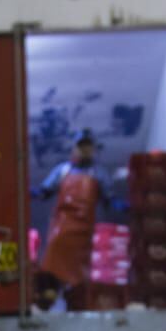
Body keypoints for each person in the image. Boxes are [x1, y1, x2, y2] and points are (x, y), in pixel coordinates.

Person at [33, 129, 115, 309]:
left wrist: (120, 204)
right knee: (52, 260)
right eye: (81, 146)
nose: (85, 150)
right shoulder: (62, 171)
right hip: (62, 227)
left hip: (83, 231)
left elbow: (109, 197)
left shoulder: (99, 173)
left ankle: (76, 302)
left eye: (88, 147)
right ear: (74, 148)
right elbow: (45, 191)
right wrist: (32, 192)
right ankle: (46, 301)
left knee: (79, 271)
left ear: (93, 149)